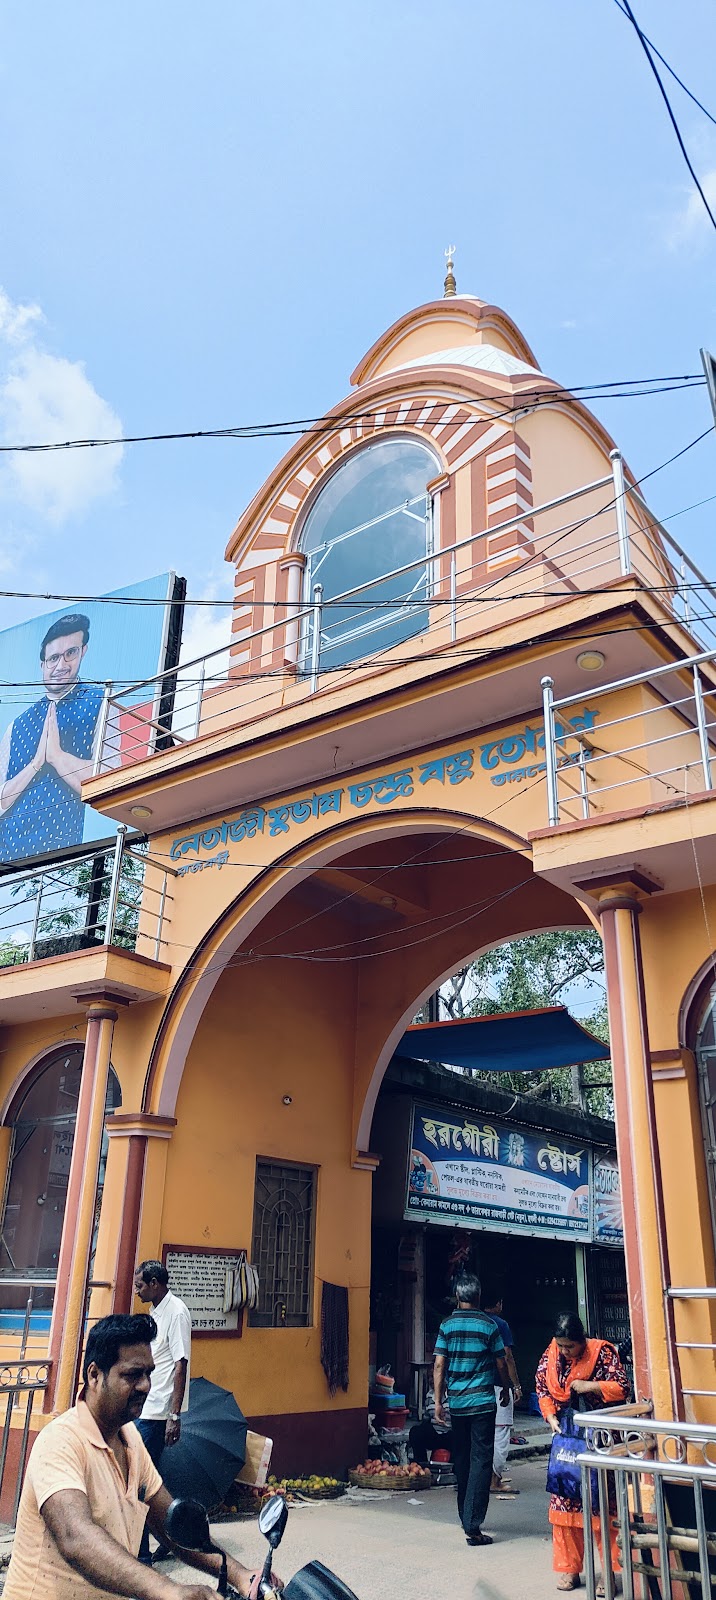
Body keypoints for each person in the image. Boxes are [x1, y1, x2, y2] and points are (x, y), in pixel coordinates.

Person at [3, 1312, 276, 1600]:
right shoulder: (60, 1441)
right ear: (95, 1375)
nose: (146, 1385)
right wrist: (169, 1590)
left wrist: (239, 1574)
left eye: (149, 1373)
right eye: (132, 1375)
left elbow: (172, 1526)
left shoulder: (131, 1439)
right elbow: (75, 1537)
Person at [536, 1310, 629, 1592]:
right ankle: (570, 1571)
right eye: (560, 1345)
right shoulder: (551, 1355)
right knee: (564, 1509)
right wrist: (550, 1416)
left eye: (570, 1347)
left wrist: (590, 1385)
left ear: (582, 1342)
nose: (564, 1352)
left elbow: (621, 1388)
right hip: (567, 1441)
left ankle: (608, 1574)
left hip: (600, 1442)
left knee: (602, 1508)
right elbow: (543, 1390)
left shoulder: (603, 1353)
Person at [0, 613, 105, 862]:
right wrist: (36, 764)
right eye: (54, 658)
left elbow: (108, 782)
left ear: (84, 651)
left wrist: (57, 757)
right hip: (7, 858)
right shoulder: (17, 725)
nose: (61, 666)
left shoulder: (102, 702)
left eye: (71, 653)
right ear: (42, 664)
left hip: (65, 855)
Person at [433, 1271, 511, 1547]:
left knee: (463, 1459)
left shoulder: (446, 1326)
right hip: (483, 1404)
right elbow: (501, 1362)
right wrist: (507, 1388)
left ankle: (465, 1516)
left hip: (458, 1404)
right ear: (478, 1297)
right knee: (480, 1460)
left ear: (457, 1296)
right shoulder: (489, 1325)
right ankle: (473, 1524)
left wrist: (439, 1401)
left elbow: (439, 1364)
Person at [133, 1259, 192, 1564]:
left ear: (155, 1283)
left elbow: (181, 1363)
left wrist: (175, 1415)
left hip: (159, 1413)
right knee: (147, 1478)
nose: (137, 1290)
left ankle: (142, 1553)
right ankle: (172, 1535)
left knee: (141, 1479)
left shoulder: (177, 1312)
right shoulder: (155, 1312)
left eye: (140, 1285)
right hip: (146, 1405)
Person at [483, 1287, 523, 1494]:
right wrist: (514, 1385)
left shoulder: (475, 1322)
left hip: (475, 1385)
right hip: (499, 1384)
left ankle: (479, 1478)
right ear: (498, 1304)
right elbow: (506, 1356)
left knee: (481, 1433)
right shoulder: (500, 1324)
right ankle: (494, 1480)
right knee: (500, 1431)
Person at [408, 1385, 452, 1464]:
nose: (432, 1380)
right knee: (416, 1432)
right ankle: (422, 1465)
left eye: (433, 1376)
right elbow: (426, 1419)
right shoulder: (430, 1395)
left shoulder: (452, 1394)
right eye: (429, 1377)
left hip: (450, 1435)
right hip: (435, 1434)